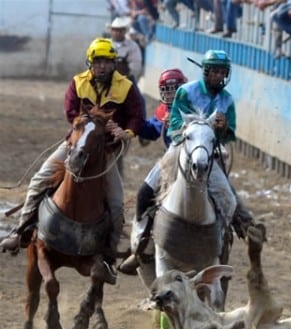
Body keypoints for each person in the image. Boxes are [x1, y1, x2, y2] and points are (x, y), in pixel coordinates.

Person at [0, 38, 145, 284]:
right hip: (74, 145)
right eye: (98, 62)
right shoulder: (78, 83)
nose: (102, 67)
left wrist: (126, 132)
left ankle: (109, 256)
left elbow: (137, 116)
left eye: (106, 62)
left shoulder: (126, 87)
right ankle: (22, 231)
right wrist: (93, 122)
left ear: (113, 64)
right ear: (91, 63)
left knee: (117, 203)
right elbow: (70, 112)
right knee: (37, 181)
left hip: (106, 153)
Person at [119, 49, 254, 274]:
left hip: (209, 153)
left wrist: (222, 128)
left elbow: (230, 135)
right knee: (145, 192)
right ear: (206, 71)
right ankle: (142, 244)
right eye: (216, 72)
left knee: (229, 199)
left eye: (223, 72)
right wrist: (190, 136)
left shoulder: (227, 99)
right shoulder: (186, 92)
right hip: (181, 148)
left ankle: (221, 240)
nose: (219, 77)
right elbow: (173, 125)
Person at [138, 68, 188, 149]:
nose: (171, 95)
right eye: (167, 91)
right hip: (171, 153)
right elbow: (152, 129)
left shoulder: (192, 107)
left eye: (175, 90)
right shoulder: (164, 110)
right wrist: (135, 123)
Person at [109, 16, 143, 82]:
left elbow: (135, 66)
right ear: (111, 31)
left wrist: (127, 79)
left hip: (126, 79)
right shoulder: (105, 44)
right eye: (115, 30)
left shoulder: (132, 46)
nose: (117, 32)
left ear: (124, 31)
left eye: (120, 30)